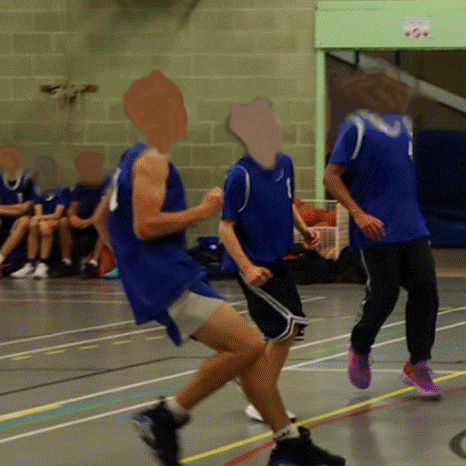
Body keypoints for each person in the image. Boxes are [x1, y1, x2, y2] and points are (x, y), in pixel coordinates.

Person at [97, 71, 344, 466]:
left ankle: (289, 444)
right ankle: (166, 416)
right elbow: (145, 226)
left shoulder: (130, 158)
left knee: (248, 355)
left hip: (161, 273)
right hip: (167, 275)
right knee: (248, 345)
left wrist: (129, 263)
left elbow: (101, 218)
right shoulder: (152, 159)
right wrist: (202, 211)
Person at [324, 70, 442, 399]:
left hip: (411, 225)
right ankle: (360, 346)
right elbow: (331, 177)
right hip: (375, 226)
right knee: (385, 294)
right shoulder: (355, 128)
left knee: (426, 291)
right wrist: (358, 214)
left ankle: (418, 364)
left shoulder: (404, 127)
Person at [218, 97, 320, 425]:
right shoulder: (240, 176)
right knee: (286, 325)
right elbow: (225, 227)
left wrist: (304, 230)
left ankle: (250, 373)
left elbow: (287, 202)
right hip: (255, 266)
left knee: (289, 327)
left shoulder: (285, 164)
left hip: (278, 260)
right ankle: (260, 398)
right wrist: (246, 267)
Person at [11, 157, 71, 279]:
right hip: (43, 218)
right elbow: (38, 210)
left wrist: (39, 219)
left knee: (45, 227)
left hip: (58, 219)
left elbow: (58, 214)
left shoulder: (62, 188)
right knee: (33, 224)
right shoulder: (38, 188)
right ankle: (30, 264)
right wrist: (38, 219)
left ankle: (43, 264)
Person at [59, 150, 111, 278]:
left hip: (97, 221)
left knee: (107, 223)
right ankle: (66, 262)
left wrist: (89, 221)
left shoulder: (107, 183)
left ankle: (93, 263)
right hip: (83, 221)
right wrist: (72, 216)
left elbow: (103, 211)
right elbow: (73, 206)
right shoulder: (81, 184)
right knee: (64, 221)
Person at [0, 146, 34, 274]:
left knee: (25, 221)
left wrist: (7, 209)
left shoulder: (28, 179)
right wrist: (16, 208)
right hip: (4, 220)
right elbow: (19, 208)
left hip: (21, 222)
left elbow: (25, 208)